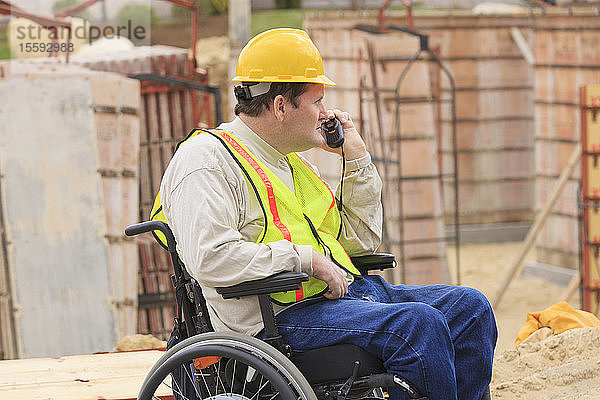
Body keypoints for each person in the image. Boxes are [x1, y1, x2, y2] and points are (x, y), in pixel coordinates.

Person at [158, 28, 497, 400]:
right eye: (317, 101)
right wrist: (307, 260)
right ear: (281, 107)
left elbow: (361, 241)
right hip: (280, 318)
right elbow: (210, 257)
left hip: (340, 297)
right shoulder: (205, 161)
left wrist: (356, 158)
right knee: (419, 326)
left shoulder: (289, 163)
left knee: (471, 308)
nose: (326, 113)